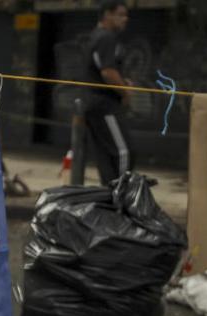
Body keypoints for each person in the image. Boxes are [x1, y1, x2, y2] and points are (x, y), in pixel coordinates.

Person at [82, 0, 134, 186]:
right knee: (123, 152)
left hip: (95, 104)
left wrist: (122, 81)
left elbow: (103, 69)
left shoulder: (96, 36)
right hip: (105, 105)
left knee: (105, 156)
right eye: (120, 15)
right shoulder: (106, 38)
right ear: (107, 15)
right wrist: (125, 91)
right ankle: (122, 197)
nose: (125, 19)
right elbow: (107, 72)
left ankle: (110, 200)